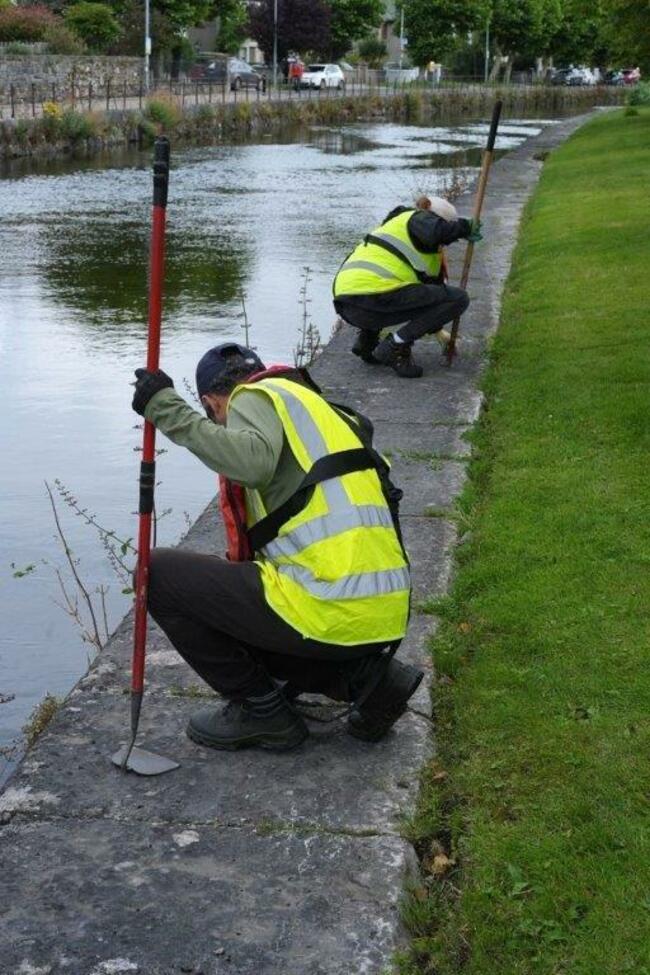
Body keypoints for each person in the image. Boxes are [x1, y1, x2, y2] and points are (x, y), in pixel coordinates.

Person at [131, 343, 423, 753]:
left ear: (213, 401)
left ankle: (262, 712)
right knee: (239, 595)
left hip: (327, 603)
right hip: (381, 612)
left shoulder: (253, 396)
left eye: (215, 416)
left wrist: (165, 407)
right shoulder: (325, 411)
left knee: (157, 573)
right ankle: (367, 681)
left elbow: (251, 463)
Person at [332, 195, 483, 378]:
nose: (445, 244)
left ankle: (367, 341)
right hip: (374, 297)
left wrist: (440, 333)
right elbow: (437, 230)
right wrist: (464, 227)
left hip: (348, 304)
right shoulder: (416, 217)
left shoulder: (393, 229)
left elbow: (430, 301)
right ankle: (395, 346)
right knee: (459, 298)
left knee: (395, 288)